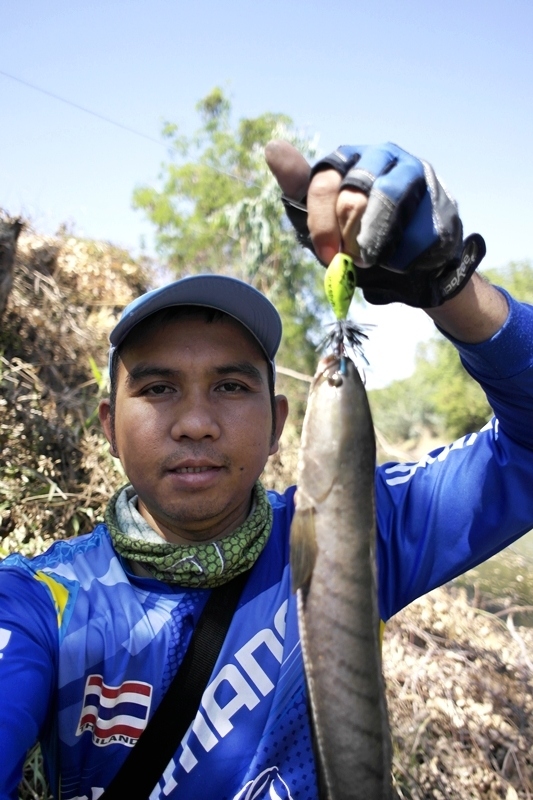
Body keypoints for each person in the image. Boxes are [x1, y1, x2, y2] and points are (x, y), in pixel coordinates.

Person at [1, 140, 533, 800]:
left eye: (228, 386)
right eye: (159, 388)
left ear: (281, 422)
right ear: (109, 425)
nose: (195, 422)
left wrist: (451, 289)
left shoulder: (367, 530)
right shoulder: (37, 601)